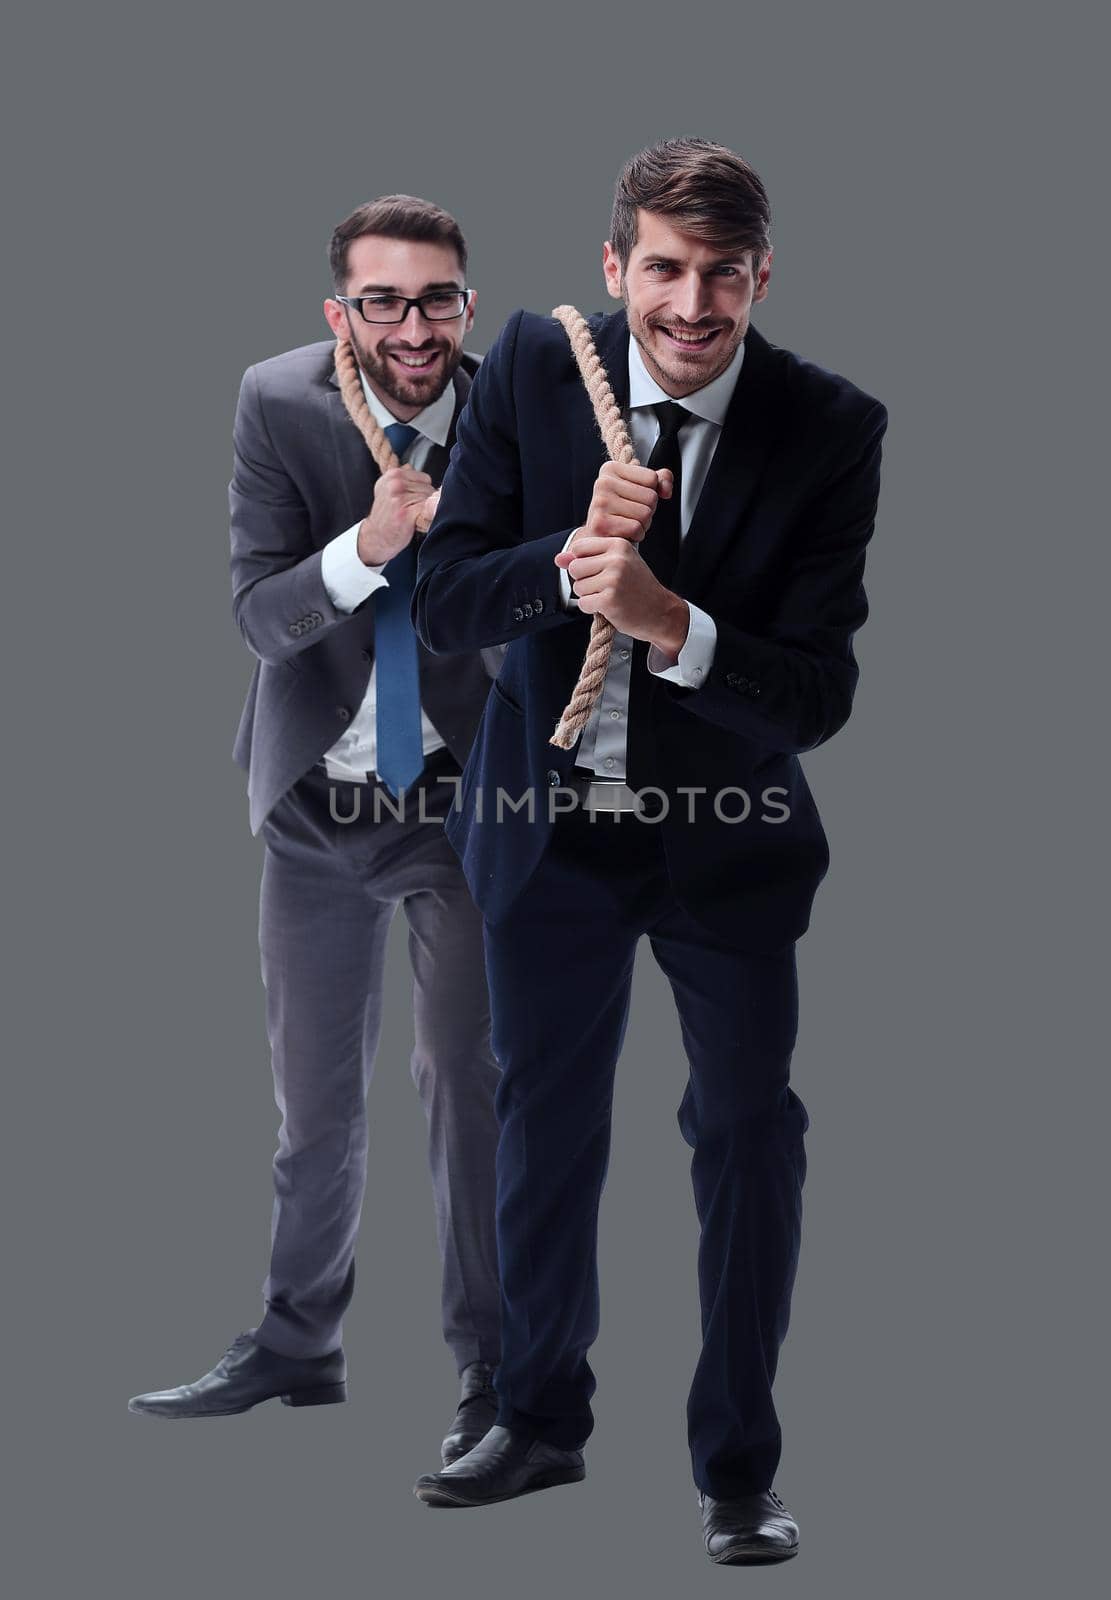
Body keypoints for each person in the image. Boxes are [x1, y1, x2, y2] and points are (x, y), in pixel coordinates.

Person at [409, 140, 887, 1562]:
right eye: (662, 269)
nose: (690, 303)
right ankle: (534, 1417)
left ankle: (737, 1468)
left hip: (722, 840)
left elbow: (816, 692)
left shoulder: (829, 425)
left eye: (720, 273)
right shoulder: (535, 367)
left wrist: (670, 623)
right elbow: (442, 602)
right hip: (545, 828)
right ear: (614, 270)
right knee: (539, 1120)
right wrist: (565, 561)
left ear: (758, 278)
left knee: (743, 1131)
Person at [129, 196, 503, 1467]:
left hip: (461, 806)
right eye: (384, 301)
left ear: (468, 302)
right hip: (314, 804)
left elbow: (561, 609)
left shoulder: (518, 407)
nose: (414, 325)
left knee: (466, 1088)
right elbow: (257, 611)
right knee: (313, 1106)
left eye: (438, 297)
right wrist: (367, 545)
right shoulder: (277, 401)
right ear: (340, 311)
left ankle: (493, 1373)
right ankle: (298, 1345)